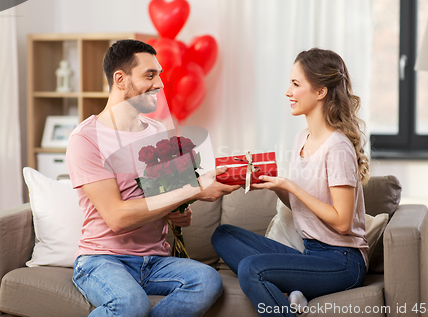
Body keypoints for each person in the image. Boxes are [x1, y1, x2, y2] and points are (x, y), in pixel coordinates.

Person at [66, 39, 240, 317]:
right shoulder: (86, 139)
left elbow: (172, 200)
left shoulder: (158, 130)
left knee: (207, 281)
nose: (159, 84)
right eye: (150, 75)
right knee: (131, 304)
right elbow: (117, 218)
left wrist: (178, 212)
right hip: (103, 260)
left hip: (156, 260)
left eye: (159, 75)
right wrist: (193, 189)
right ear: (120, 79)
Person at [211, 48, 370, 317]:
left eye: (296, 84)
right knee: (223, 234)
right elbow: (302, 206)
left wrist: (290, 186)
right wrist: (277, 188)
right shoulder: (301, 139)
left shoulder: (338, 148)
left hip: (343, 262)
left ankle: (283, 290)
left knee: (252, 269)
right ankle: (291, 289)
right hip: (310, 253)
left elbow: (342, 222)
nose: (288, 92)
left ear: (320, 92)